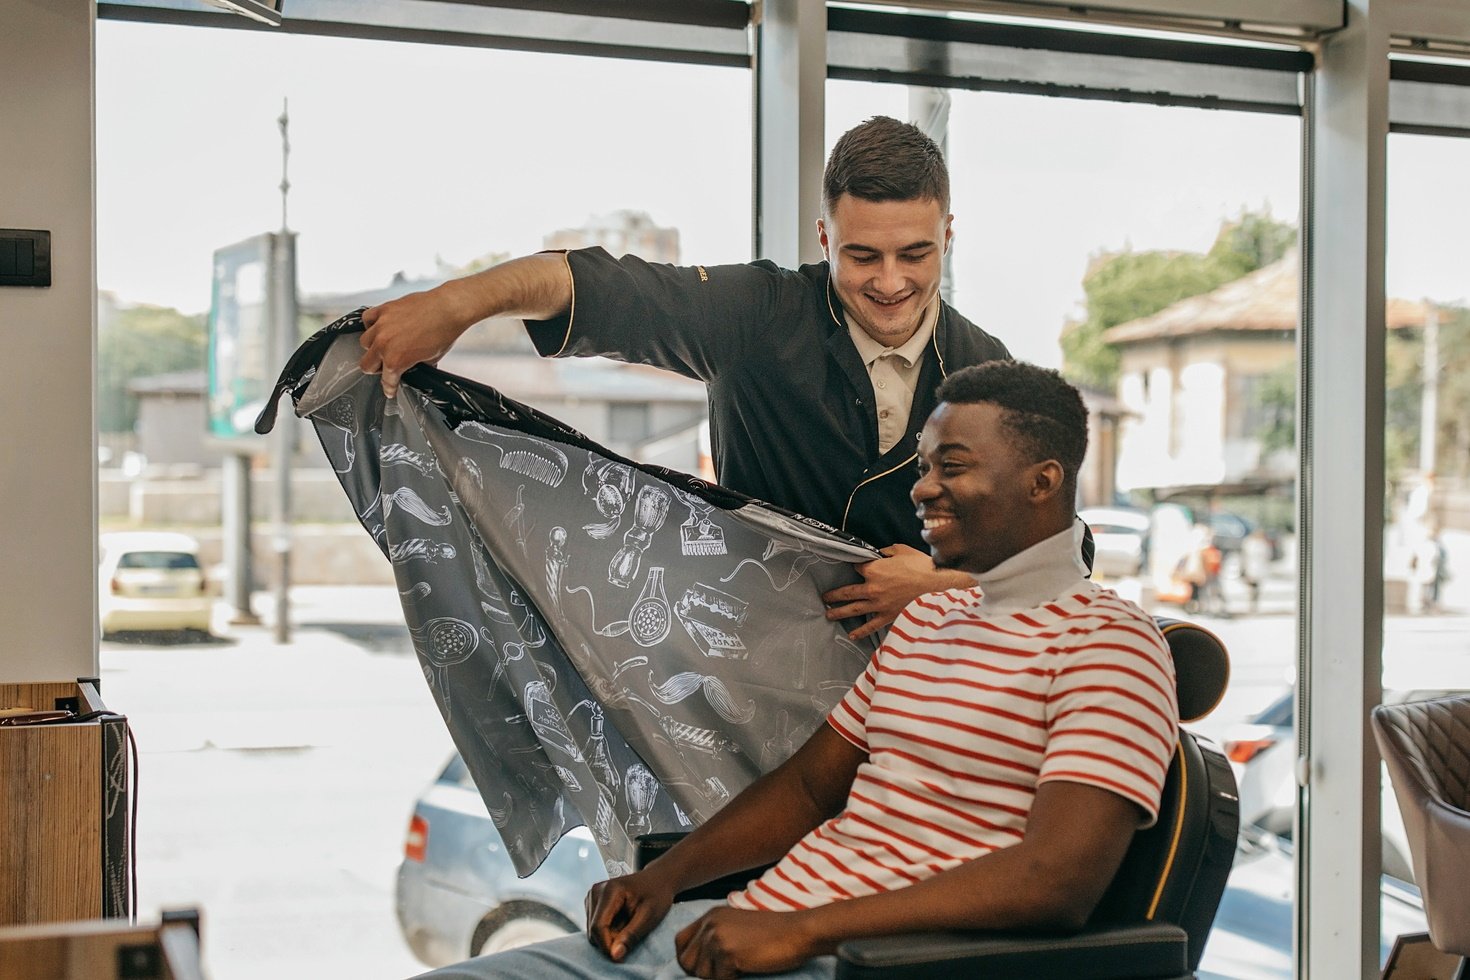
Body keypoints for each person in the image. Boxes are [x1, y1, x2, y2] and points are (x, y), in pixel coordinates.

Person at [414, 361, 1177, 980]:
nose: (922, 488)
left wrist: (801, 932)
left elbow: (1056, 882)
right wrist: (665, 878)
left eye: (953, 466)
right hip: (750, 933)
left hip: (866, 961)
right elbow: (811, 786)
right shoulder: (929, 619)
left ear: (1042, 483)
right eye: (923, 466)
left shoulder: (1110, 644)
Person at [357, 116, 1012, 642]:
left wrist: (938, 588)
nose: (891, 282)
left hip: (922, 706)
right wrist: (452, 306)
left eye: (915, 254)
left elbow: (1066, 557)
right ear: (823, 237)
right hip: (757, 673)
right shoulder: (759, 314)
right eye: (862, 255)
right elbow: (595, 286)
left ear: (948, 236)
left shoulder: (991, 371)